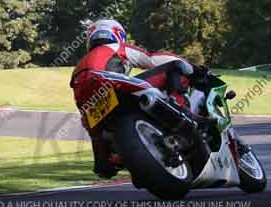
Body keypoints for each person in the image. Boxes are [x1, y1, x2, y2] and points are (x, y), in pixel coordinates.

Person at [70, 19, 211, 179]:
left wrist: (102, 160)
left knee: (100, 147)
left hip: (86, 98)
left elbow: (93, 131)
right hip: (110, 83)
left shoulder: (79, 66)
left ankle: (106, 160)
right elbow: (151, 58)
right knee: (175, 66)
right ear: (118, 34)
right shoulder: (115, 47)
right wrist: (192, 68)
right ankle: (186, 113)